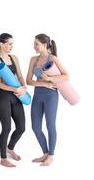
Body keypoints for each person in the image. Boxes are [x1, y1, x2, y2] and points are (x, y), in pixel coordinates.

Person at [26, 34, 69, 166]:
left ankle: (50, 155)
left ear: (45, 45)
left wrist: (50, 79)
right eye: (34, 44)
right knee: (35, 127)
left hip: (51, 96)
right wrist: (45, 83)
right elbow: (29, 81)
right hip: (38, 95)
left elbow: (66, 76)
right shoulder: (33, 59)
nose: (34, 46)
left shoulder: (53, 58)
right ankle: (45, 153)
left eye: (36, 44)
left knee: (50, 125)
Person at [0, 33, 26, 167]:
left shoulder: (14, 58)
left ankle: (10, 148)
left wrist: (23, 87)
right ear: (1, 44)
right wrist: (14, 89)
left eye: (12, 44)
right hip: (3, 97)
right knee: (6, 128)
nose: (12, 46)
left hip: (17, 96)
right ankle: (3, 158)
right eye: (9, 44)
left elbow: (20, 75)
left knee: (21, 127)